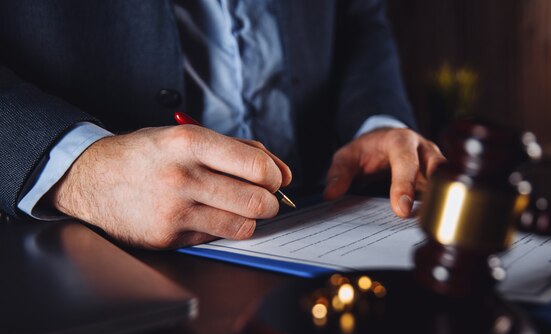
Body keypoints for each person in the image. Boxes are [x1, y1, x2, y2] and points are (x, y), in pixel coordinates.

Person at [0, 0, 444, 249]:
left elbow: (356, 17)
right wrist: (84, 171)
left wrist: (376, 119)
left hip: (321, 211)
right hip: (96, 260)